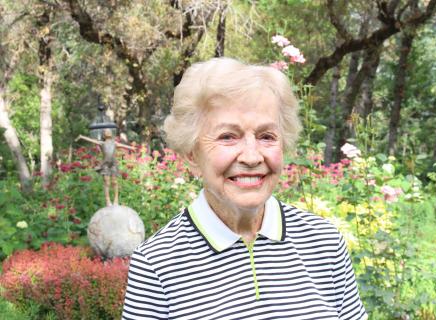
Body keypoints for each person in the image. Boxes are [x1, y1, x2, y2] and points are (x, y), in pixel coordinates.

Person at [121, 58, 367, 320]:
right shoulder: (157, 265)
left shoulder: (324, 243)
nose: (251, 157)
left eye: (266, 137)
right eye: (228, 137)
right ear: (192, 155)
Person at [76, 129, 134, 206]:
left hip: (113, 164)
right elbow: (91, 140)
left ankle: (116, 199)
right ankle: (108, 200)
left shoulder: (114, 143)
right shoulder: (102, 143)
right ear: (104, 135)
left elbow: (124, 146)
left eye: (109, 131)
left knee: (115, 182)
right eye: (106, 131)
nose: (108, 132)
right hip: (105, 164)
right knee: (107, 182)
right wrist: (82, 137)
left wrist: (132, 148)